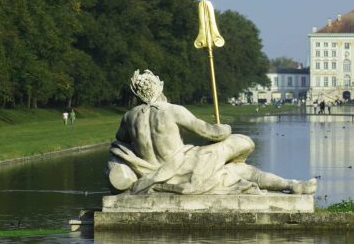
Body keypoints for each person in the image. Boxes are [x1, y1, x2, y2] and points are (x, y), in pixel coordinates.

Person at [108, 70, 317, 195]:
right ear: (159, 88)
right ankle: (291, 184)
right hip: (187, 165)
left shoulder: (129, 117)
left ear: (137, 93)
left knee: (238, 170)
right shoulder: (172, 110)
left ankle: (293, 184)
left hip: (154, 173)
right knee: (241, 146)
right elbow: (210, 133)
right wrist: (224, 128)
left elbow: (121, 141)